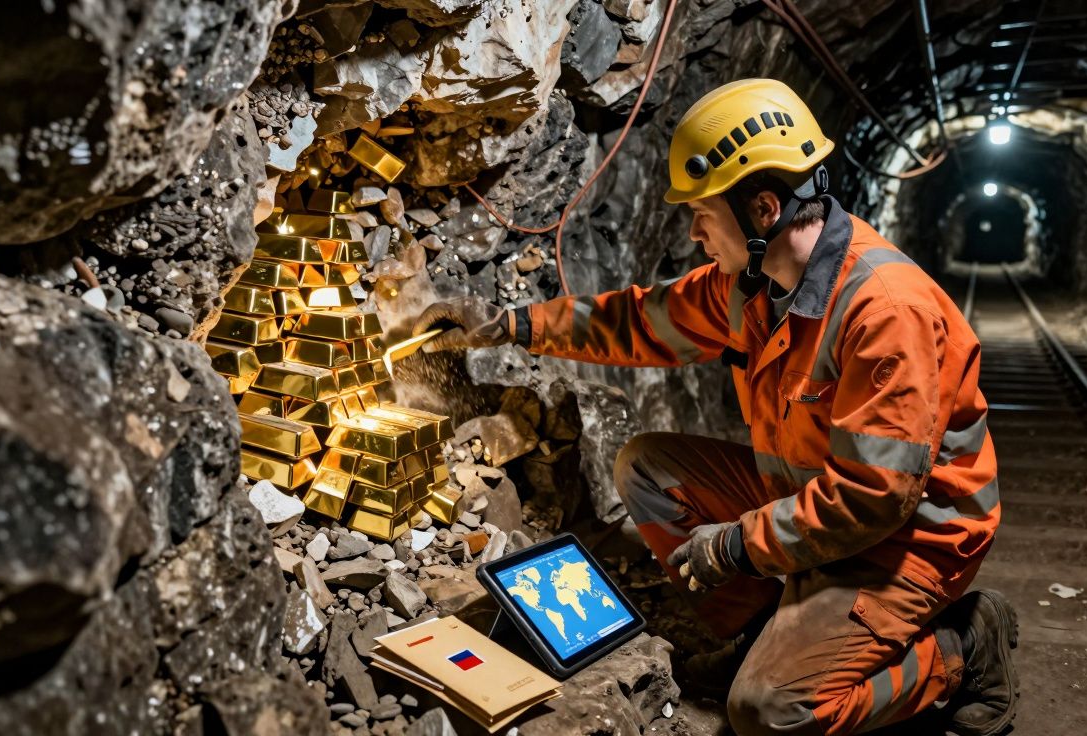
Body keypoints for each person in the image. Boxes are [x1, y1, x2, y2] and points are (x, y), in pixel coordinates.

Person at [412, 78, 1016, 736]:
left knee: (772, 710)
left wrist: (736, 545)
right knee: (646, 469)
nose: (694, 231)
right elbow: (640, 322)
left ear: (762, 210)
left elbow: (874, 498)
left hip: (907, 539)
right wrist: (507, 323)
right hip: (807, 493)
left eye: (702, 211)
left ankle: (961, 649)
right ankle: (764, 629)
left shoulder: (885, 311)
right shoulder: (754, 285)